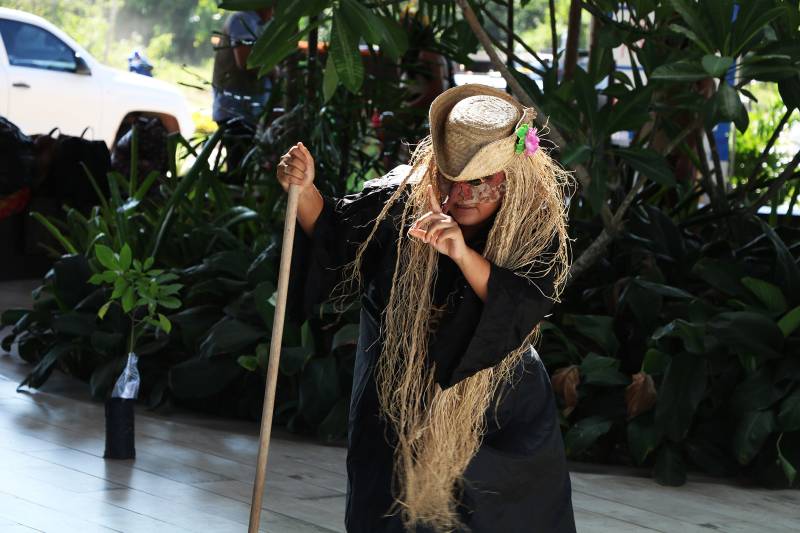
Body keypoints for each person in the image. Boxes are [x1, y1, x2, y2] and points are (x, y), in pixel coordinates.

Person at [279, 84, 577, 533]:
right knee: (392, 508)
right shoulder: (401, 198)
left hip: (496, 404)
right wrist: (302, 190)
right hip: (397, 392)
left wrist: (462, 254)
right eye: (448, 179)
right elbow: (333, 233)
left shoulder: (534, 220)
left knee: (503, 517)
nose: (458, 196)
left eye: (476, 184)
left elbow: (524, 300)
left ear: (509, 175)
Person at [211, 7, 274, 175]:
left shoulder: (264, 24)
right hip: (235, 110)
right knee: (238, 169)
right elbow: (246, 61)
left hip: (251, 111)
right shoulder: (242, 19)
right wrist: (279, 71)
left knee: (245, 167)